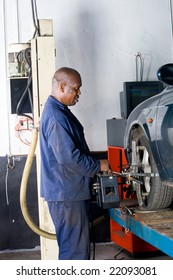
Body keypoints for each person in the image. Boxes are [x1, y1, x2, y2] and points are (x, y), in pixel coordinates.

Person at [40, 67, 111, 260]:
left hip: (68, 191)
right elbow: (69, 157)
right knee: (75, 252)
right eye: (76, 89)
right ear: (62, 86)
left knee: (74, 248)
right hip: (67, 194)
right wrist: (99, 166)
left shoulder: (59, 111)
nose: (79, 94)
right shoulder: (56, 116)